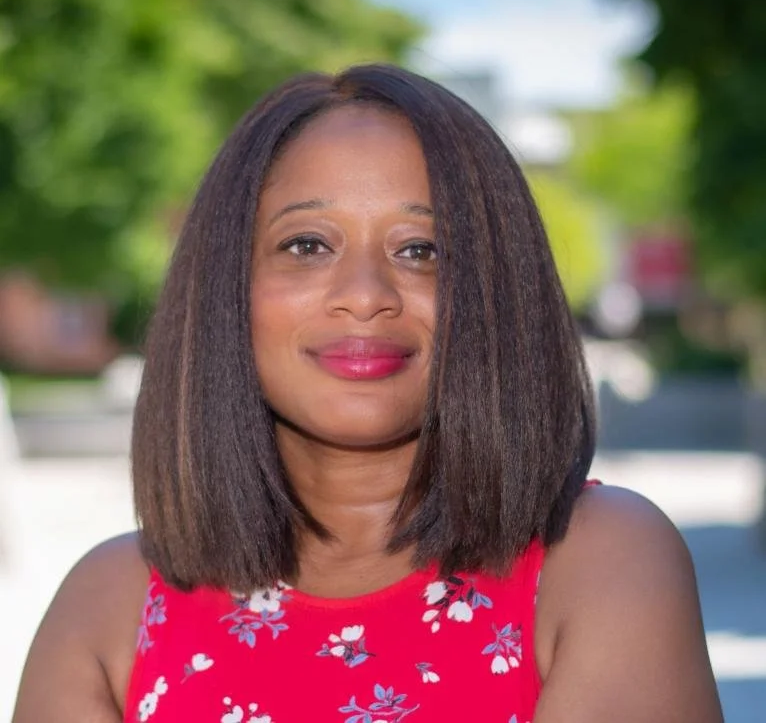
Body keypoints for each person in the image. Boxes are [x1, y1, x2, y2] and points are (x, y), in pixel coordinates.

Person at [13, 64, 723, 723]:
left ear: (496, 294)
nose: (364, 295)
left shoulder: (601, 564)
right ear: (226, 287)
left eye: (421, 250)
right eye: (307, 245)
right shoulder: (109, 608)